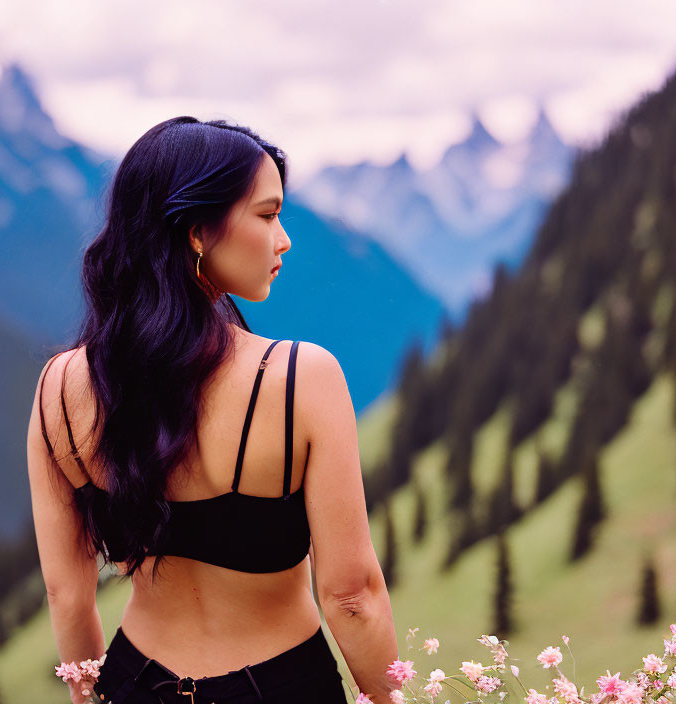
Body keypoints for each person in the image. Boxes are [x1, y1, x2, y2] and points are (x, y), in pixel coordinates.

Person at [26, 116, 399, 704]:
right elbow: (352, 596)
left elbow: (66, 594)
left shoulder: (61, 389)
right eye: (268, 214)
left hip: (135, 683)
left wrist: (88, 697)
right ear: (198, 231)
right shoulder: (302, 379)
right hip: (279, 687)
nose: (285, 239)